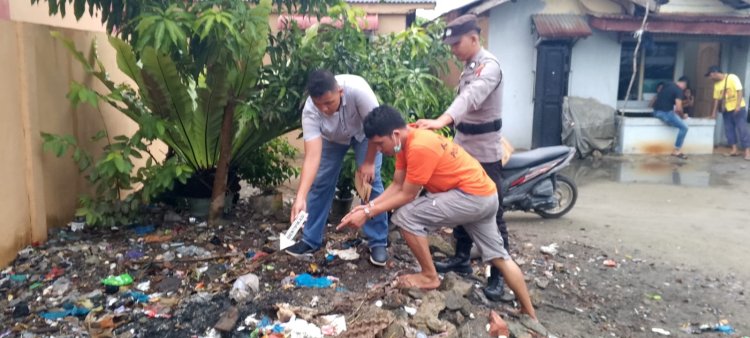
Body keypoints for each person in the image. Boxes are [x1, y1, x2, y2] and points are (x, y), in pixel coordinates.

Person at [336, 105, 537, 320]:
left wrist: (367, 213)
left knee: (405, 216)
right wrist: (366, 208)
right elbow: (397, 184)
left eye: (378, 143)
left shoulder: (420, 146)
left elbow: (407, 195)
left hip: (472, 198)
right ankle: (529, 313)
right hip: (485, 195)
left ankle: (429, 276)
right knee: (500, 257)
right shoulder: (406, 141)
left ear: (394, 135)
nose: (377, 149)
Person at [413, 14, 508, 301]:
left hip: (485, 153)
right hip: (463, 146)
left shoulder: (489, 67)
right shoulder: (469, 66)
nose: (453, 49)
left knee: (494, 213)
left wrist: (442, 120)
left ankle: (497, 275)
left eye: (456, 43)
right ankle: (462, 258)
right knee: (461, 203)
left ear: (474, 38)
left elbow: (469, 99)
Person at [286, 69, 389, 266]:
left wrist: (368, 163)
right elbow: (312, 157)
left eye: (328, 103)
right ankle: (310, 239)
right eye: (319, 105)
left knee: (371, 182)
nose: (324, 109)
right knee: (319, 182)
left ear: (340, 92)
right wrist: (300, 197)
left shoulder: (358, 90)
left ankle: (378, 242)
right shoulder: (310, 110)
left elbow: (377, 130)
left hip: (365, 135)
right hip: (332, 139)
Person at [707, 66, 750, 160]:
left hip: (738, 108)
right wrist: (713, 113)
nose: (710, 78)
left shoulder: (732, 77)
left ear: (715, 73)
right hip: (726, 109)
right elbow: (716, 100)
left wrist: (738, 106)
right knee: (729, 129)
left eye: (710, 76)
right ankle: (734, 150)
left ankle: (748, 151)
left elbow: (740, 92)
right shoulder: (716, 84)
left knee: (742, 129)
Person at [652, 77, 689, 159]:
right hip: (666, 113)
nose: (684, 89)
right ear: (684, 84)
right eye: (685, 87)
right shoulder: (678, 90)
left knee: (673, 119)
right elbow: (679, 108)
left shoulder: (667, 84)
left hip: (656, 112)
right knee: (684, 128)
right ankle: (676, 150)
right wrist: (683, 116)